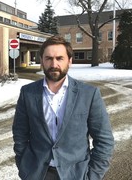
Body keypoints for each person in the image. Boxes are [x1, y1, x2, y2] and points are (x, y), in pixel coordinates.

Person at [12, 36, 114, 180]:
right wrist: (24, 167)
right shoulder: (28, 92)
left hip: (76, 174)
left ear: (69, 61)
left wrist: (93, 176)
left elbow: (104, 140)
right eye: (48, 58)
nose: (54, 64)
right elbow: (20, 133)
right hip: (38, 173)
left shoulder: (89, 94)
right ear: (41, 60)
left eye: (60, 58)